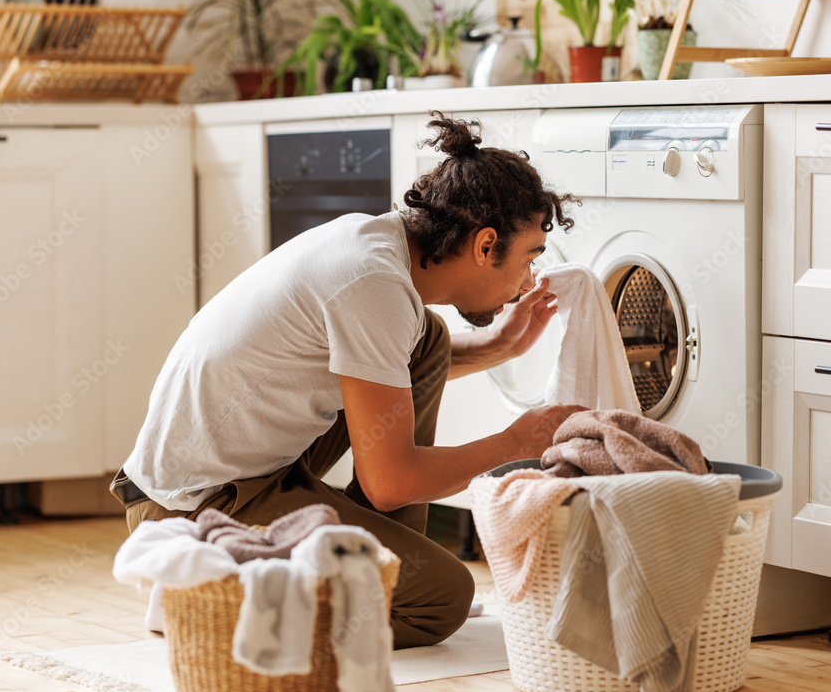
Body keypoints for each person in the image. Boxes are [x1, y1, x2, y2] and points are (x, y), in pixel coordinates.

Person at [110, 111, 582, 648]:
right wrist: (516, 443)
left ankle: (377, 559)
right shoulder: (374, 286)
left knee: (427, 341)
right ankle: (210, 599)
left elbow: (379, 365)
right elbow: (392, 483)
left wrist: (501, 346)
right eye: (527, 260)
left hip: (243, 471)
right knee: (441, 597)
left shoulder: (378, 246)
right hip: (195, 505)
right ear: (484, 245)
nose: (526, 283)